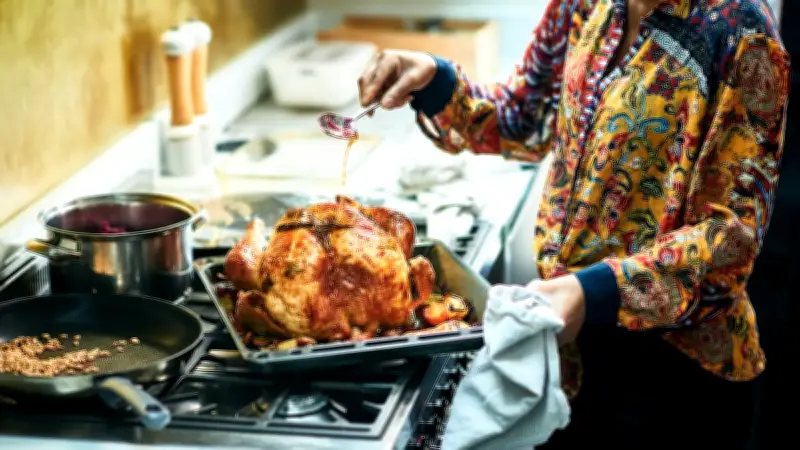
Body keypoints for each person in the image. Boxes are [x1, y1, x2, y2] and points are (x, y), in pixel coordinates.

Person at [358, 0, 789, 448]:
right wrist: (434, 78)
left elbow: (731, 238)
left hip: (673, 378)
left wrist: (595, 292)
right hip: (567, 356)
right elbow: (524, 119)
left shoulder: (742, 33)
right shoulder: (582, 5)